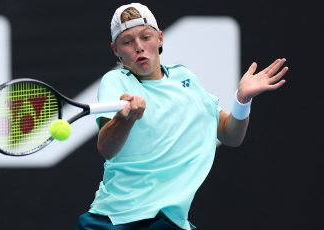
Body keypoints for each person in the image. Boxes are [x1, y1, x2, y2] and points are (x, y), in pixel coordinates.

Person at [75, 2, 289, 230]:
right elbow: (106, 148)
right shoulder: (116, 81)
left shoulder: (184, 78)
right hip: (113, 220)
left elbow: (231, 135)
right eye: (127, 42)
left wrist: (242, 101)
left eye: (146, 37)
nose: (138, 47)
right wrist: (125, 119)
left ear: (160, 39)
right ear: (115, 50)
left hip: (168, 221)